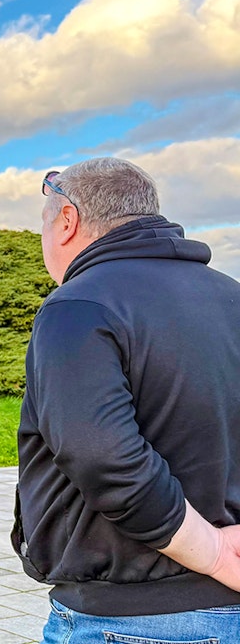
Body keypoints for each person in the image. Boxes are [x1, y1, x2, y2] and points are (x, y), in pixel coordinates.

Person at [15, 157, 240, 642]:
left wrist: (216, 552)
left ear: (68, 220)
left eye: (44, 223)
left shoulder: (79, 305)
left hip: (131, 619)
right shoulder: (233, 297)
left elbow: (103, 457)